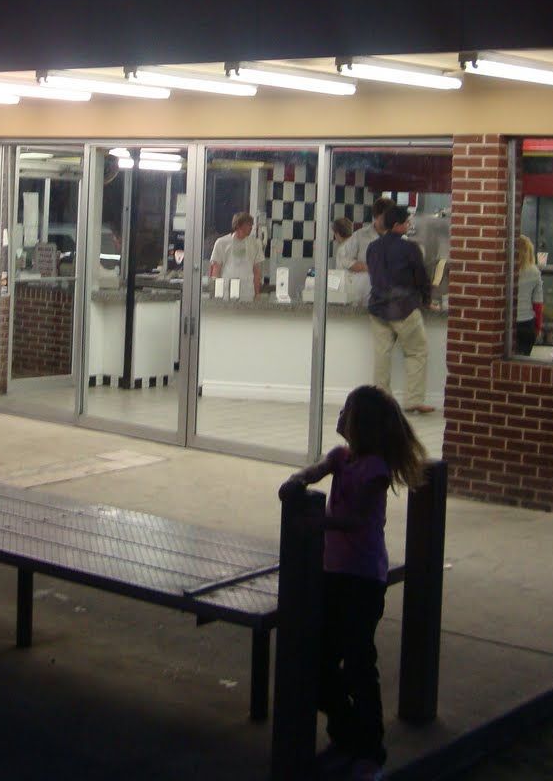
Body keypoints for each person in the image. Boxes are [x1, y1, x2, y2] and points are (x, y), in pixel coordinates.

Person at [278, 385, 427, 781]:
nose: (340, 416)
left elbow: (359, 518)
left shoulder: (375, 469)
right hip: (332, 573)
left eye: (348, 411)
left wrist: (319, 523)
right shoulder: (341, 458)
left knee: (360, 662)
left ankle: (369, 751)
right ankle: (345, 736)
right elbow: (317, 470)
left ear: (363, 424)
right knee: (321, 660)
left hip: (362, 581)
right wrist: (298, 481)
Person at [366, 205, 433, 414]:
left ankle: (381, 400)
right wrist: (426, 299)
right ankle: (413, 400)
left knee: (382, 354)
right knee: (416, 352)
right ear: (397, 225)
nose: (409, 224)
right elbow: (421, 278)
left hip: (377, 307)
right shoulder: (410, 249)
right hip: (403, 308)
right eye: (406, 222)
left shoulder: (372, 248)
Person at [207, 211, 263, 299]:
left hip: (247, 292)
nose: (251, 228)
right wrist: (216, 293)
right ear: (238, 225)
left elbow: (256, 271)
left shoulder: (255, 244)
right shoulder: (222, 243)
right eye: (248, 225)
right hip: (226, 291)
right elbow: (216, 268)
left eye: (251, 225)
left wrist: (257, 293)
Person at [513, 235, 543, 354]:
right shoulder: (534, 272)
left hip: (508, 324)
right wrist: (538, 327)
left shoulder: (507, 270)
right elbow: (538, 304)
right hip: (527, 324)